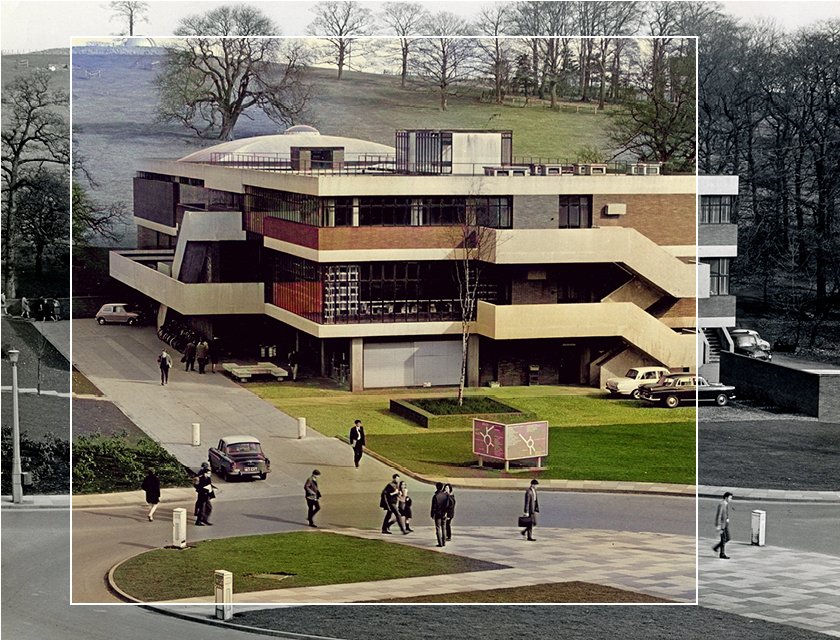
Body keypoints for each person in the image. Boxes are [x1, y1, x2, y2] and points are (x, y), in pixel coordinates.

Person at [712, 491, 733, 559]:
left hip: (725, 524)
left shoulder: (726, 504)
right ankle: (722, 554)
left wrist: (727, 518)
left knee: (728, 538)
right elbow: (719, 515)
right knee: (723, 539)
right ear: (726, 497)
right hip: (722, 525)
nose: (731, 499)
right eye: (730, 498)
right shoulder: (721, 504)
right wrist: (718, 526)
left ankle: (716, 547)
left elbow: (725, 513)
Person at [430, 482, 450, 547]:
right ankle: (444, 542)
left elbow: (434, 507)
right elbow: (448, 505)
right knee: (443, 528)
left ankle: (440, 543)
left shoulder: (435, 496)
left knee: (438, 528)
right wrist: (446, 512)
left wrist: (432, 514)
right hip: (444, 513)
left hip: (438, 514)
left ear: (437, 487)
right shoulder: (446, 495)